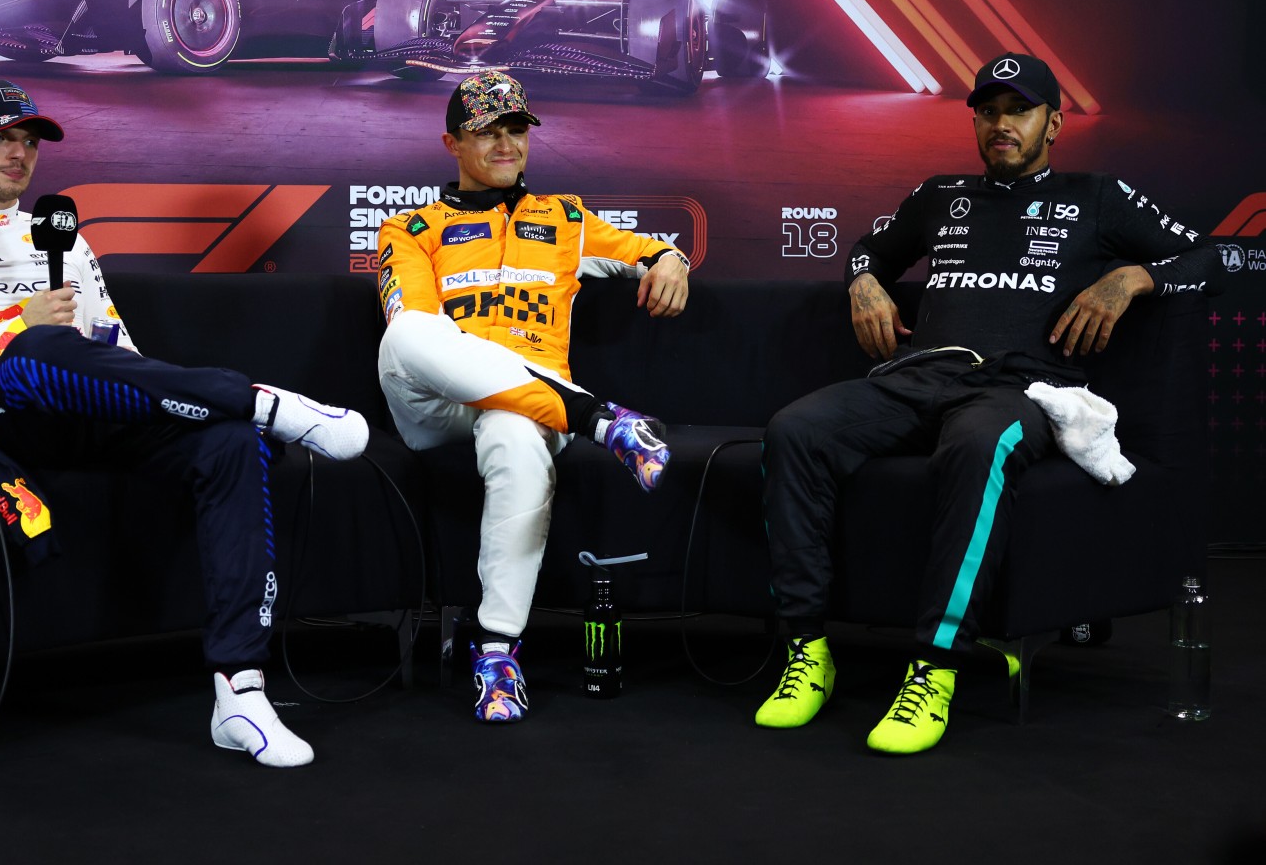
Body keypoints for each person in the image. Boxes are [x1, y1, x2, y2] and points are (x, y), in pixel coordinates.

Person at [0, 78, 370, 768]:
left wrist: (75, 348)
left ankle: (240, 690)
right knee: (37, 347)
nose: (19, 153)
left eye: (29, 141)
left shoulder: (65, 239)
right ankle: (261, 400)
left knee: (227, 442)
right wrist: (12, 332)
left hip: (87, 412)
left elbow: (122, 360)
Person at [754, 53, 1224, 754]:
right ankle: (806, 654)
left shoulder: (1095, 195)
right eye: (989, 110)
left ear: (1053, 123)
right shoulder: (940, 194)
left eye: (1020, 111)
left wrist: (1129, 279)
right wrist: (864, 283)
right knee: (794, 430)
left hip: (1020, 389)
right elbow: (866, 251)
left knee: (980, 446)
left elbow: (1211, 258)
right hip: (917, 378)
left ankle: (934, 668)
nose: (1001, 124)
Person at [375, 71, 690, 723]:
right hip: (439, 408)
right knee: (407, 331)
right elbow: (419, 336)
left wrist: (671, 259)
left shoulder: (566, 219)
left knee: (515, 433)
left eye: (515, 129)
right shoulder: (410, 228)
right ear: (451, 143)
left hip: (526, 414)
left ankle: (496, 653)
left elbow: (649, 249)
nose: (505, 144)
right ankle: (606, 422)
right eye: (486, 131)